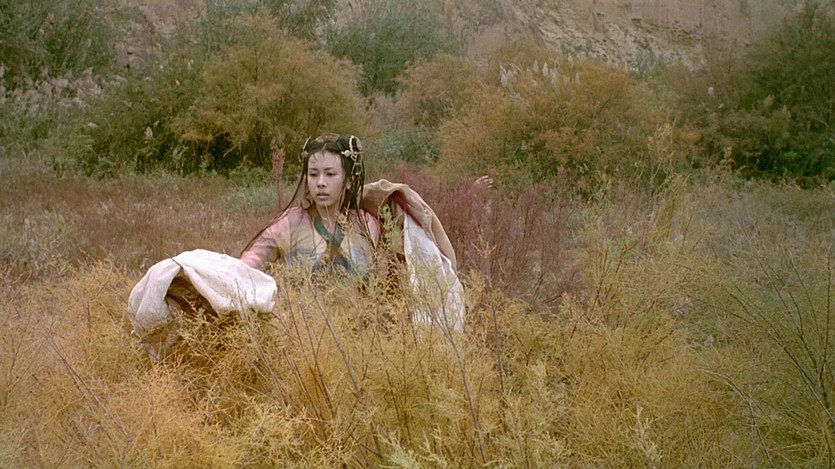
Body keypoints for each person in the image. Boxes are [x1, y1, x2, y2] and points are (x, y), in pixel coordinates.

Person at [240, 133, 380, 277]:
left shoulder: (366, 225)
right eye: (313, 174)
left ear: (350, 180)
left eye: (330, 174)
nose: (320, 183)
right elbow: (249, 265)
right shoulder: (290, 223)